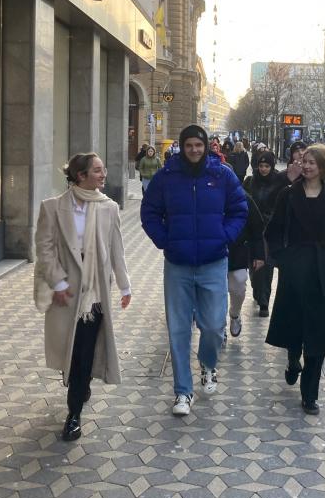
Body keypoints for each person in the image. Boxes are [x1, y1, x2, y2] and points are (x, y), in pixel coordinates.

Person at [141, 125, 248, 416]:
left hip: (214, 262)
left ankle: (207, 363)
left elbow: (240, 209)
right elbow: (149, 212)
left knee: (213, 326)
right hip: (178, 264)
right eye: (188, 145)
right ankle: (182, 391)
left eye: (198, 145)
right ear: (182, 146)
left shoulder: (222, 175)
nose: (194, 150)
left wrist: (224, 236)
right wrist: (165, 240)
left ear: (206, 146)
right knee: (178, 329)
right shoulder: (166, 177)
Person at [35, 152, 132, 441]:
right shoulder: (53, 208)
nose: (104, 175)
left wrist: (125, 287)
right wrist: (58, 282)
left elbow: (116, 249)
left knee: (84, 353)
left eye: (103, 170)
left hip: (95, 292)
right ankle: (79, 383)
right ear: (81, 176)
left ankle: (74, 414)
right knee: (71, 350)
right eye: (98, 171)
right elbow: (44, 248)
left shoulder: (108, 208)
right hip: (66, 292)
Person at [265, 144, 325, 415]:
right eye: (305, 161)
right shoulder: (289, 194)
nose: (307, 166)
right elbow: (273, 231)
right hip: (294, 269)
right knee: (295, 325)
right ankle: (293, 359)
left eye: (312, 162)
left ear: (323, 167)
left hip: (321, 271)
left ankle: (310, 394)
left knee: (319, 333)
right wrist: (283, 258)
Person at [242, 149, 279, 315]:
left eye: (267, 166)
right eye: (261, 166)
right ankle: (258, 292)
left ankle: (264, 301)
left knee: (267, 265)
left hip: (269, 230)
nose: (264, 169)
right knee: (254, 265)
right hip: (252, 230)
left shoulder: (278, 183)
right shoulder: (250, 182)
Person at [226, 194, 266, 338]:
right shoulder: (206, 192)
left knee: (238, 287)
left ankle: (235, 314)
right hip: (212, 251)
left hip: (238, 251)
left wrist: (259, 254)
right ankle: (218, 326)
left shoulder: (243, 197)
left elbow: (257, 227)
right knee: (215, 292)